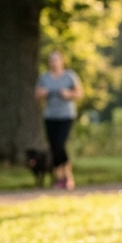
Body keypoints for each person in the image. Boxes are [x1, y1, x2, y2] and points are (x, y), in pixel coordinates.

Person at [35, 50, 83, 190]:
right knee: (53, 147)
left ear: (62, 61)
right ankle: (59, 178)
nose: (54, 63)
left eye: (56, 60)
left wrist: (68, 94)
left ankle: (67, 175)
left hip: (66, 115)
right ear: (49, 63)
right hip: (50, 115)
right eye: (51, 60)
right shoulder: (44, 78)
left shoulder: (69, 76)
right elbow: (37, 94)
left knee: (59, 144)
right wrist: (42, 93)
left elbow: (79, 93)